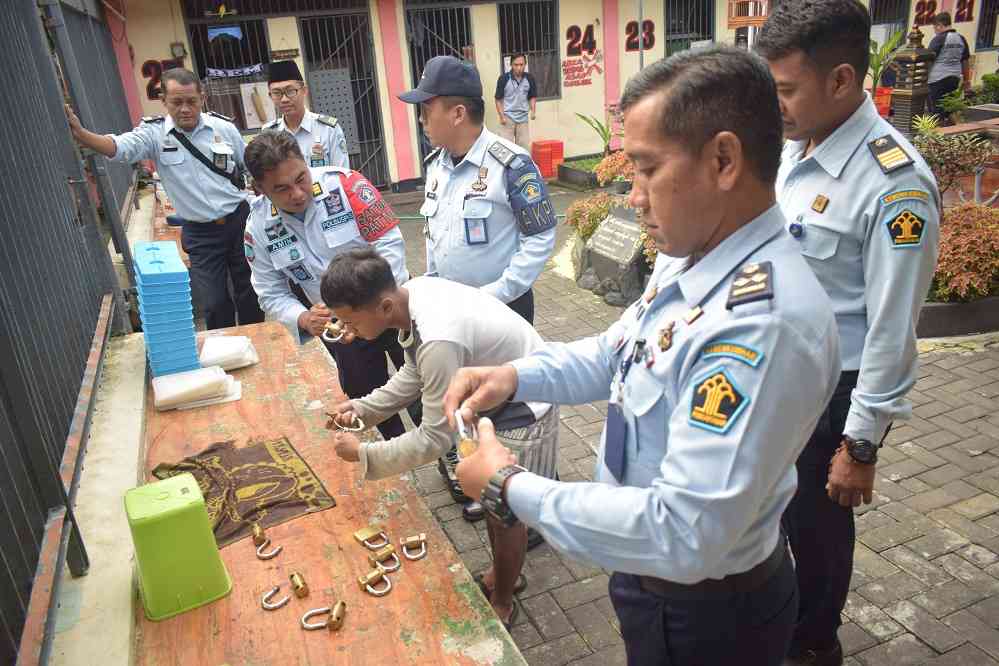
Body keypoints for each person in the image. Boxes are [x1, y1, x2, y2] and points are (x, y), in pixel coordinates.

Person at [445, 45, 842, 666]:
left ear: (724, 160)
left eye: (646, 169)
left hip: (709, 614)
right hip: (649, 580)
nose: (632, 196)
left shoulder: (762, 326)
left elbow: (682, 532)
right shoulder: (692, 253)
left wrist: (509, 485)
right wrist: (513, 375)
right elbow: (616, 352)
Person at [755, 2, 941, 664]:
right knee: (775, 516)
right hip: (779, 375)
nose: (773, 101)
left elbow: (893, 331)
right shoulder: (794, 147)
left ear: (839, 80)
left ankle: (812, 647)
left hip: (835, 391)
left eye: (784, 88)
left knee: (818, 533)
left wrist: (859, 446)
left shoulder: (894, 186)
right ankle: (781, 628)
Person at [322, 249, 558, 628]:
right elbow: (415, 374)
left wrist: (364, 454)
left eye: (350, 320)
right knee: (494, 501)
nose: (345, 331)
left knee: (506, 512)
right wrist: (363, 408)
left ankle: (502, 600)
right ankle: (503, 575)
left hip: (526, 403)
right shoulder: (411, 295)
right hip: (495, 393)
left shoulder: (437, 336)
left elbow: (435, 438)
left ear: (382, 306)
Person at [398, 55, 557, 515]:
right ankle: (487, 487)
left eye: (426, 108)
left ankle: (532, 503)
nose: (422, 118)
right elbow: (435, 239)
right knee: (468, 405)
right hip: (450, 313)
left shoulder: (511, 164)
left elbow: (541, 235)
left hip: (500, 310)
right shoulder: (437, 166)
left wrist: (497, 293)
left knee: (515, 411)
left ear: (457, 113)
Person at [242, 131, 420, 440]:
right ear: (260, 189)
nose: (297, 193)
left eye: (301, 178)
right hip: (342, 328)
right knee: (365, 396)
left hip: (390, 307)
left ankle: (451, 457)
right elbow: (270, 292)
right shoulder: (258, 227)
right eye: (281, 189)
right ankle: (396, 451)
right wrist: (303, 318)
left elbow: (390, 243)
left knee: (423, 386)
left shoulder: (348, 185)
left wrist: (375, 302)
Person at [65, 68, 264, 330]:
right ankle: (226, 350)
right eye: (176, 102)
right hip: (201, 233)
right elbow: (121, 148)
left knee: (250, 292)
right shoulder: (154, 134)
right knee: (214, 302)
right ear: (164, 101)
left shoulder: (224, 128)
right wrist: (82, 134)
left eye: (191, 101)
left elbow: (249, 168)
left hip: (240, 222)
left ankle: (259, 345)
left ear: (202, 98)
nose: (184, 109)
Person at [262, 60, 349, 170]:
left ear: (304, 91)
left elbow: (341, 174)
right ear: (270, 96)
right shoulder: (268, 134)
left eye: (290, 91)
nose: (284, 99)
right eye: (276, 93)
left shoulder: (328, 129)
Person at [927, 12, 973, 117]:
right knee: (949, 108)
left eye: (935, 28)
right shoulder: (961, 39)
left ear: (939, 25)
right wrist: (966, 81)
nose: (935, 31)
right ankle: (947, 127)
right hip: (954, 79)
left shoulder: (938, 39)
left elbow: (929, 60)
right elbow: (965, 61)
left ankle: (937, 129)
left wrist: (924, 78)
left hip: (937, 79)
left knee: (936, 110)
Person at [493, 53, 538, 150]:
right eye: (516, 65)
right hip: (507, 118)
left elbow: (532, 97)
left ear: (525, 64)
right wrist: (501, 116)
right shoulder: (503, 79)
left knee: (524, 149)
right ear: (511, 65)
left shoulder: (530, 78)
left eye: (521, 65)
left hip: (523, 119)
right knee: (505, 149)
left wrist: (533, 111)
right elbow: (498, 100)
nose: (519, 67)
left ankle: (521, 165)